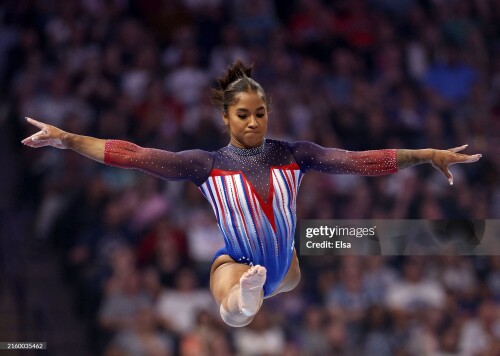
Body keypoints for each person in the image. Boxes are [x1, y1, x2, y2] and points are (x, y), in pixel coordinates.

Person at [22, 60, 481, 327]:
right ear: (226, 117)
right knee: (237, 304)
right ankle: (244, 297)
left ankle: (260, 288)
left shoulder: (296, 153)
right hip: (236, 261)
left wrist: (425, 153)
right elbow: (134, 154)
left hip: (288, 267)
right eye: (242, 114)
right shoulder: (205, 165)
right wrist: (67, 139)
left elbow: (359, 161)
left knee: (297, 267)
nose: (253, 122)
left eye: (260, 113)